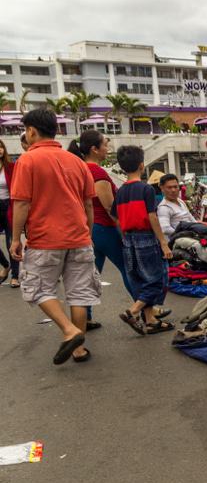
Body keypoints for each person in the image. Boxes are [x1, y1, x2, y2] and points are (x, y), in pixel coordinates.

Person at [8, 108, 99, 364]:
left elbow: (22, 203)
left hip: (45, 239)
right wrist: (87, 233)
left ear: (32, 131)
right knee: (79, 293)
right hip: (79, 237)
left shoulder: (28, 160)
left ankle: (69, 332)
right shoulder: (76, 161)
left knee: (38, 289)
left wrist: (16, 238)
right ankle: (79, 349)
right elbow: (89, 205)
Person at [67, 130, 132, 328]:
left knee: (89, 275)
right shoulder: (97, 172)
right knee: (128, 269)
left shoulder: (79, 168)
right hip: (105, 227)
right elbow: (109, 206)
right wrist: (124, 230)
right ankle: (146, 310)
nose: (107, 148)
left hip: (89, 228)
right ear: (94, 149)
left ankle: (85, 318)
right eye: (105, 144)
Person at [113, 145, 174, 336]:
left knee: (140, 279)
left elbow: (114, 215)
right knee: (156, 279)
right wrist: (163, 242)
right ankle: (133, 311)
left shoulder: (121, 191)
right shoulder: (146, 189)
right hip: (146, 237)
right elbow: (152, 217)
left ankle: (150, 321)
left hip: (128, 239)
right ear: (142, 165)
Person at [0, 139, 17, 285]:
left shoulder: (11, 167)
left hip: (10, 206)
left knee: (11, 242)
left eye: (1, 147)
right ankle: (6, 266)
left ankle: (15, 276)